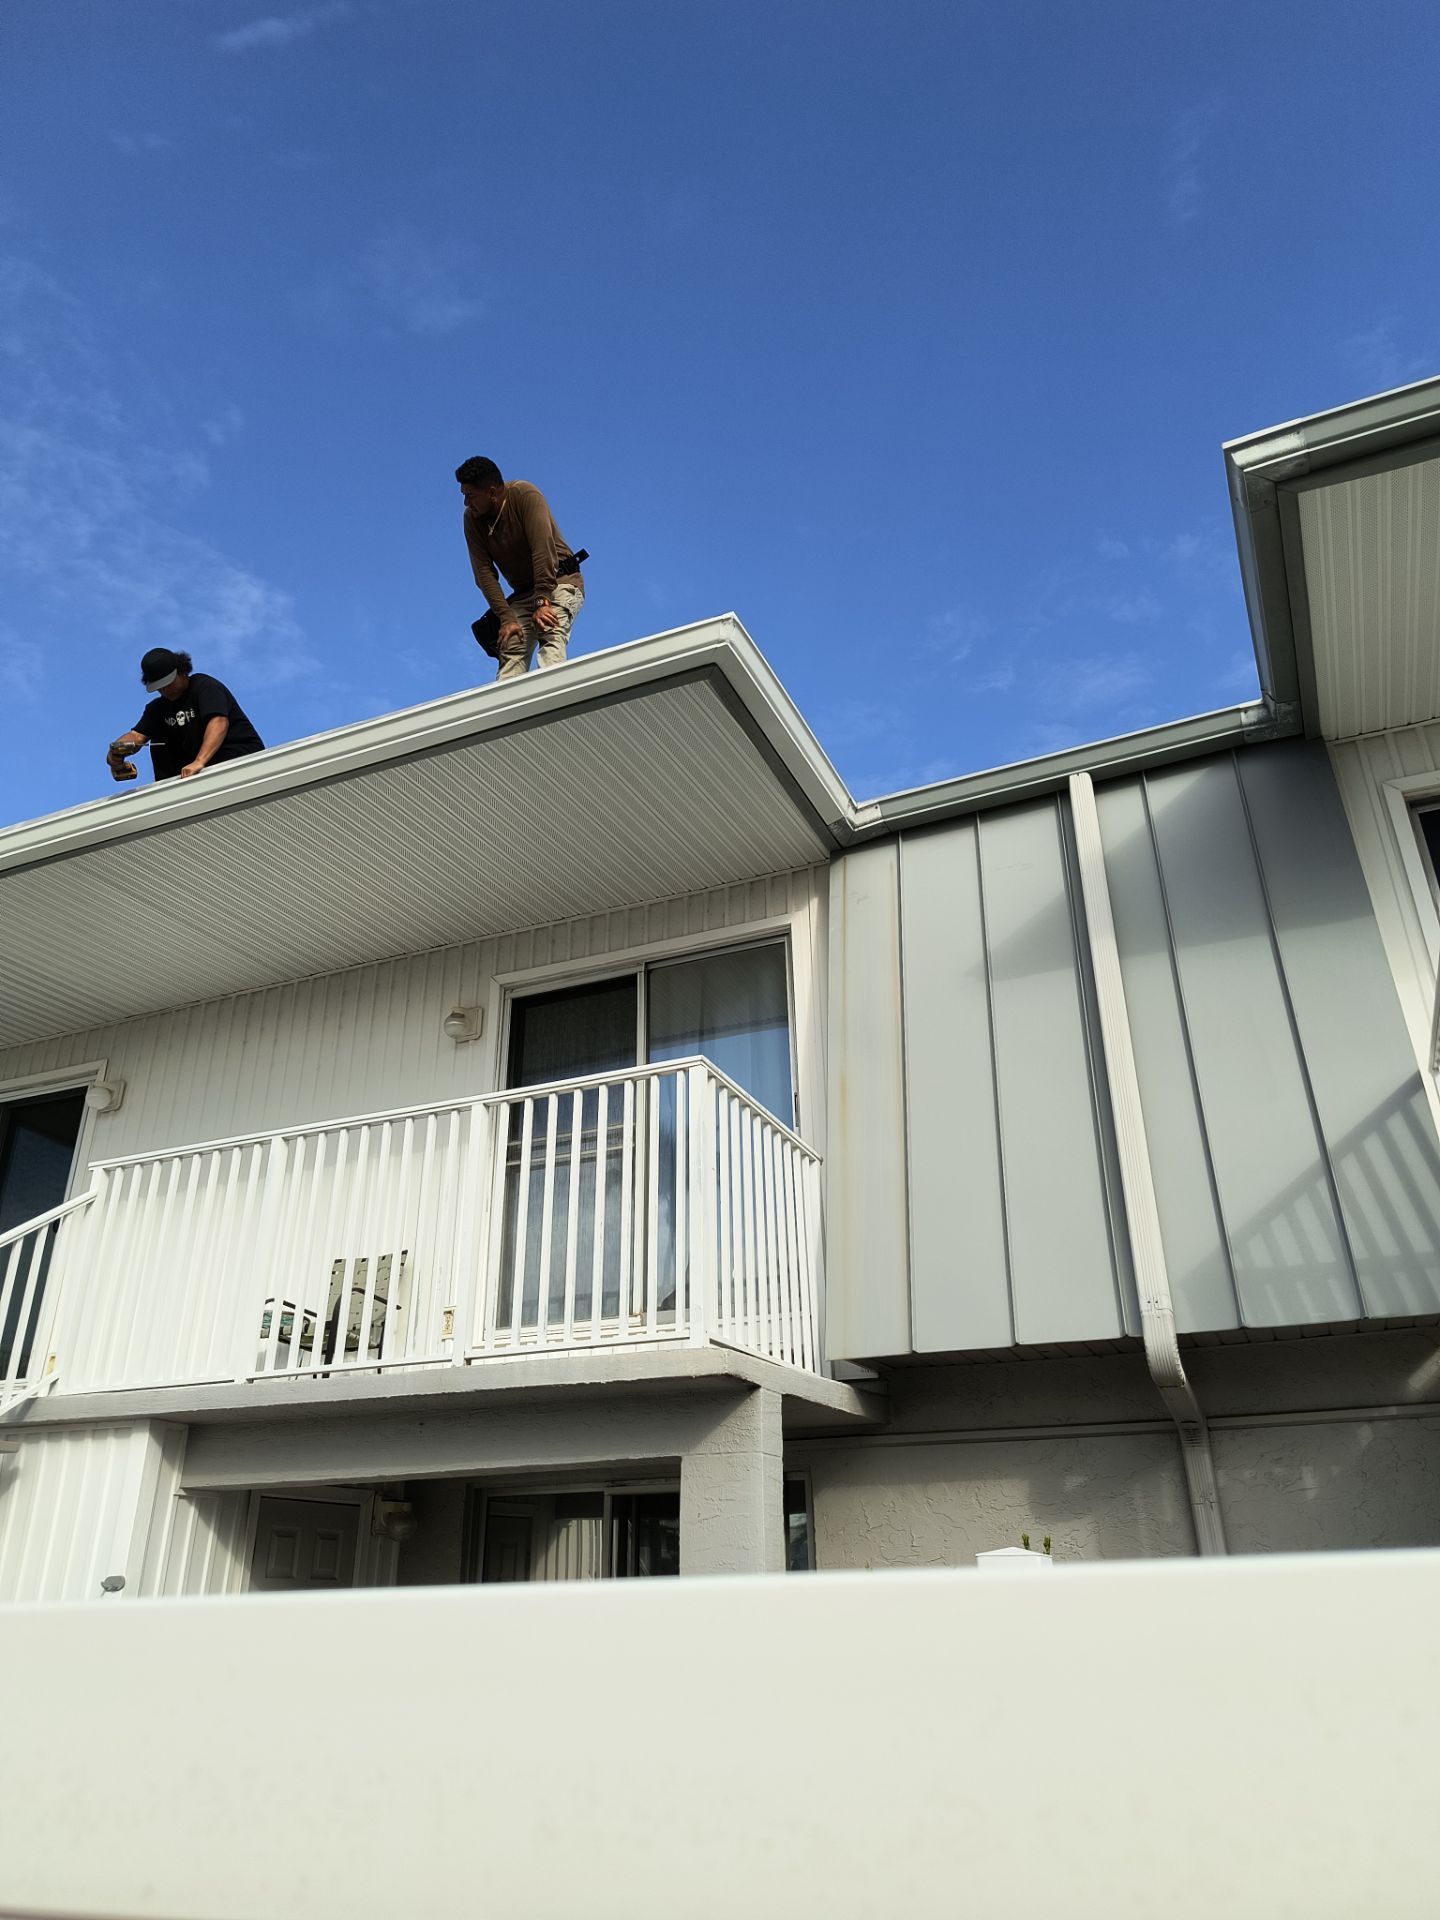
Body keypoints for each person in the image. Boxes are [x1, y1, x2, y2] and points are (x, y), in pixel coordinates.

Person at [457, 456, 585, 680]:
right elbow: (483, 574)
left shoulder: (524, 495)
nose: (467, 503)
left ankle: (553, 697)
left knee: (550, 630)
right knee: (511, 644)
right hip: (522, 594)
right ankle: (509, 710)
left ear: (492, 492)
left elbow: (542, 550)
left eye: (471, 496)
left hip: (557, 581)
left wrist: (542, 601)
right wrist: (506, 618)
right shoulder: (472, 519)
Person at [106, 648, 265, 784]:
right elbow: (137, 736)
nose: (166, 690)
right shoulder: (156, 709)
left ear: (182, 671)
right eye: (160, 688)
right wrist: (116, 752)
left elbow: (218, 722)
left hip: (239, 764)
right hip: (191, 777)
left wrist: (199, 761)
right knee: (160, 738)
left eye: (169, 683)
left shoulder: (204, 686)